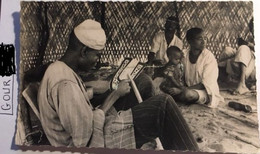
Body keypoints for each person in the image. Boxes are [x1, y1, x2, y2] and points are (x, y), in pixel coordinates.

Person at [38, 19, 199, 151]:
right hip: (99, 138)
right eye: (97, 56)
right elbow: (86, 142)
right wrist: (114, 95)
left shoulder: (58, 68)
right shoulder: (66, 85)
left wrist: (97, 90)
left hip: (92, 120)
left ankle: (153, 127)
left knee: (141, 81)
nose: (98, 61)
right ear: (83, 51)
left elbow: (74, 105)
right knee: (163, 105)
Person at [170, 27, 224, 108]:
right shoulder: (184, 54)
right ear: (190, 41)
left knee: (187, 94)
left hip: (204, 91)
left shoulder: (209, 57)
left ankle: (178, 96)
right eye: (199, 38)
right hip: (187, 88)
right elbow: (177, 73)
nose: (203, 41)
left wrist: (182, 89)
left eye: (205, 38)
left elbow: (204, 84)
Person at [218, 18, 255, 95]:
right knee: (227, 50)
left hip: (254, 61)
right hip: (246, 57)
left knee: (243, 48)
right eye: (252, 28)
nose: (253, 31)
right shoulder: (252, 38)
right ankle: (219, 77)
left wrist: (247, 45)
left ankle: (242, 84)